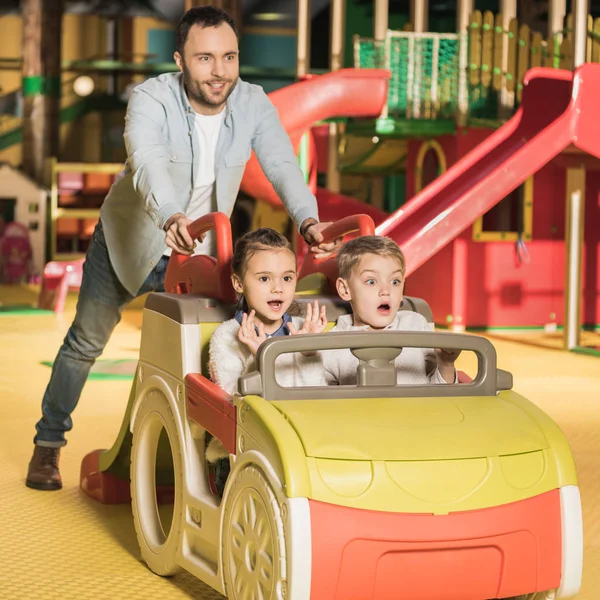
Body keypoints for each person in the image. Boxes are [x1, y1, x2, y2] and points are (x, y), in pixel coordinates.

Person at [26, 7, 337, 491]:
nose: (219, 71)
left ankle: (210, 455)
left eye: (229, 57)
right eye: (205, 58)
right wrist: (171, 214)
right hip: (133, 239)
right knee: (85, 343)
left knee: (215, 346)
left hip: (202, 252)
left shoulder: (252, 102)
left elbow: (281, 164)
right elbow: (147, 160)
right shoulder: (152, 98)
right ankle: (48, 446)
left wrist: (309, 219)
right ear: (180, 60)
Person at [206, 228, 327, 495]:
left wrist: (308, 352)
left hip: (298, 444)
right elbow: (234, 407)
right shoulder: (226, 336)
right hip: (242, 450)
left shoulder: (300, 328)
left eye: (287, 277)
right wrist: (261, 358)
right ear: (238, 283)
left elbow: (315, 397)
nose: (277, 288)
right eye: (264, 278)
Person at [323, 236, 460, 385]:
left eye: (395, 282)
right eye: (371, 281)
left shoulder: (415, 325)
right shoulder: (331, 345)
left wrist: (446, 364)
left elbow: (439, 397)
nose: (386, 291)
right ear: (345, 289)